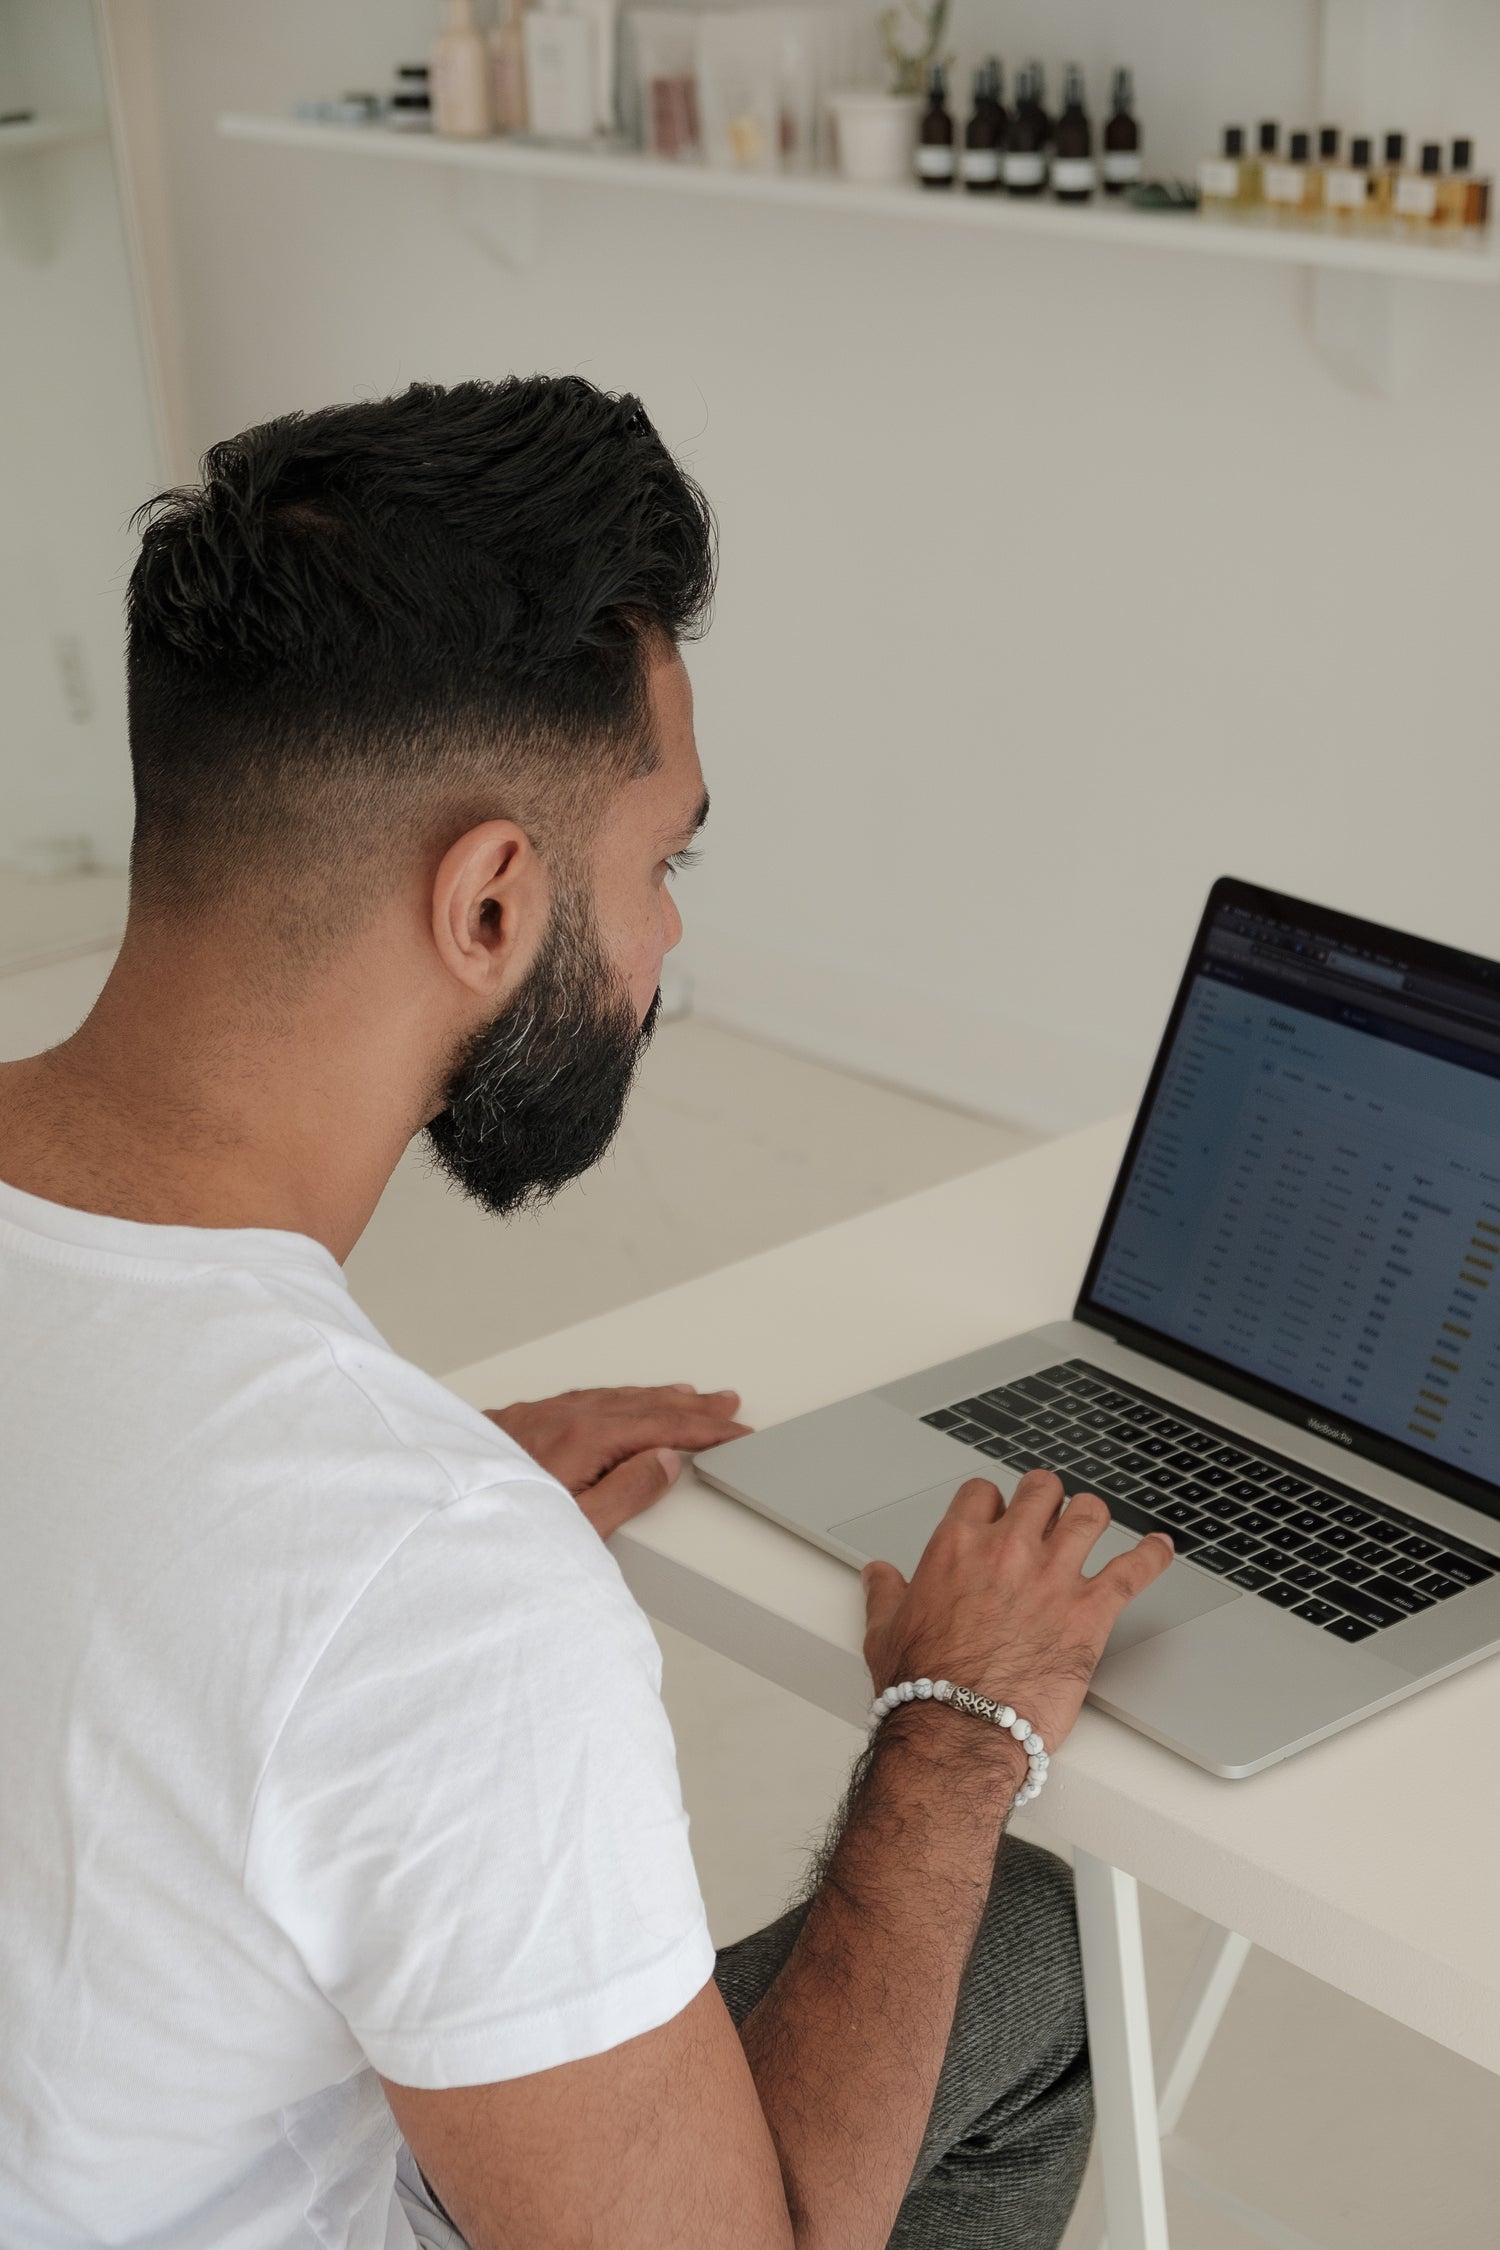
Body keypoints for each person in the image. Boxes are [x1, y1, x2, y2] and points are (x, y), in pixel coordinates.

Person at [0, 376, 1173, 2249]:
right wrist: (956, 1731)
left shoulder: (357, 1531)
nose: (667, 940)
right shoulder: (430, 1585)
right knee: (1022, 1936)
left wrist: (358, 1522)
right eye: (660, 864)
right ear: (489, 901)